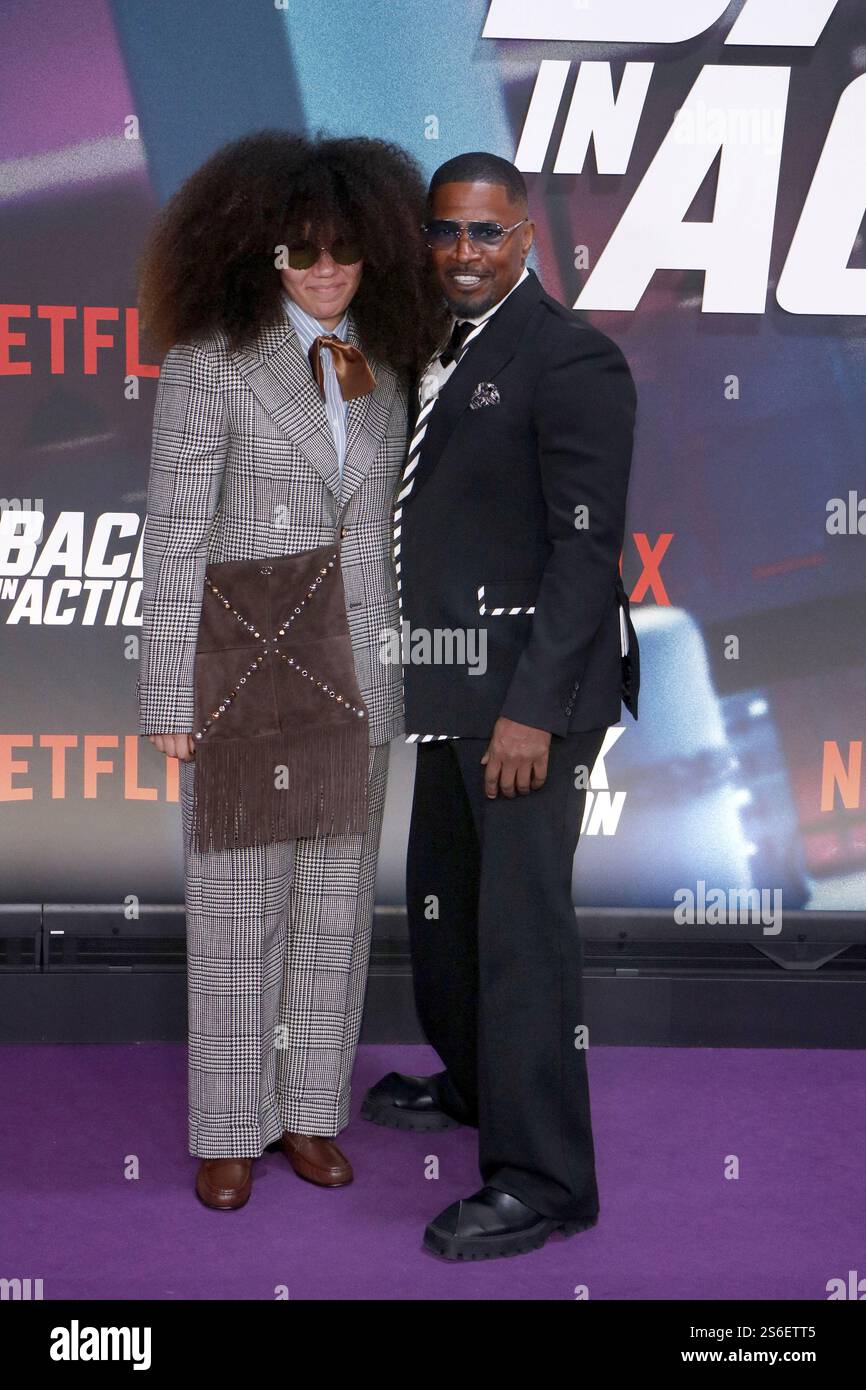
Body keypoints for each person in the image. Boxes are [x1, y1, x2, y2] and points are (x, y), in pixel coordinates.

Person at [136, 130, 447, 1210]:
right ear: (260, 252)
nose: (323, 271)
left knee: (333, 907)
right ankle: (229, 1126)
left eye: (344, 251)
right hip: (245, 668)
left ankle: (309, 1113)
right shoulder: (208, 363)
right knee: (234, 908)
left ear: (375, 256)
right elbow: (174, 535)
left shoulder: (389, 360)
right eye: (301, 250)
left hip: (355, 671)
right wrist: (169, 692)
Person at [362, 152, 641, 1260]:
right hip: (449, 690)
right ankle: (479, 1085)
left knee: (522, 941)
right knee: (447, 917)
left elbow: (584, 552)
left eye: (484, 233)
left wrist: (527, 713)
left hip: (529, 702)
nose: (462, 254)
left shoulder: (570, 358)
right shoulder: (440, 350)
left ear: (524, 236)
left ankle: (544, 1179)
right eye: (444, 233)